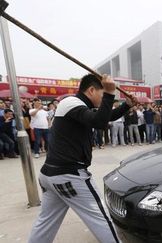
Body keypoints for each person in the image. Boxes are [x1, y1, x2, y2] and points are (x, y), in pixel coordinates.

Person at [28, 74, 136, 243]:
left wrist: (126, 105)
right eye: (101, 94)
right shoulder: (72, 103)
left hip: (52, 175)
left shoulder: (75, 105)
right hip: (69, 176)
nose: (103, 99)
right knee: (103, 221)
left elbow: (105, 116)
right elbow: (100, 122)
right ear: (92, 90)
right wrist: (110, 93)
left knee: (45, 224)